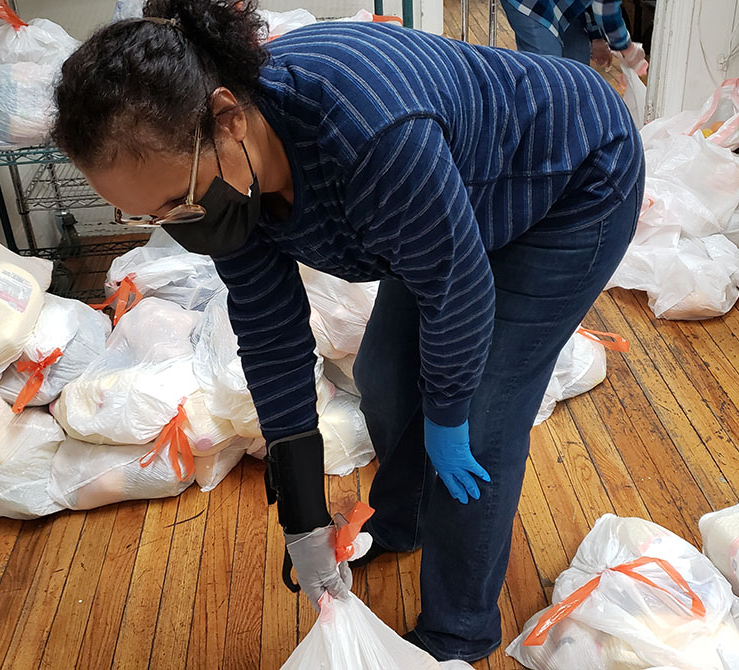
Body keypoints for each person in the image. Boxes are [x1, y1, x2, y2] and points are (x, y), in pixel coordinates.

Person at [53, 0, 643, 661]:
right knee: (384, 376)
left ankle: (458, 630)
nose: (181, 225)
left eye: (178, 201)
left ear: (228, 119)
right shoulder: (226, 182)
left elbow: (459, 291)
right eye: (154, 216)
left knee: (479, 419)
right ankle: (402, 518)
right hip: (457, 200)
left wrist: (448, 416)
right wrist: (302, 517)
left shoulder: (368, 136)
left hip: (575, 177)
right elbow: (272, 337)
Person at [499, 0, 647, 74]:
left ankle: (571, 125)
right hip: (531, 4)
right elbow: (606, 10)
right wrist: (628, 49)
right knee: (548, 74)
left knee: (578, 70)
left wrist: (597, 38)